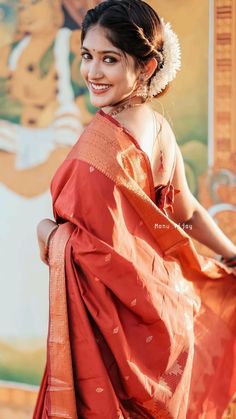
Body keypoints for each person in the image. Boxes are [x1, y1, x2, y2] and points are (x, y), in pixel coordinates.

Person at [34, 1, 236, 418]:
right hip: (163, 322)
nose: (92, 72)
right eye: (87, 56)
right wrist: (231, 253)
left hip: (117, 342)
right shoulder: (160, 130)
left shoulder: (100, 145)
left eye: (110, 59)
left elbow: (101, 253)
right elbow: (189, 211)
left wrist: (48, 234)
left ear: (145, 67)